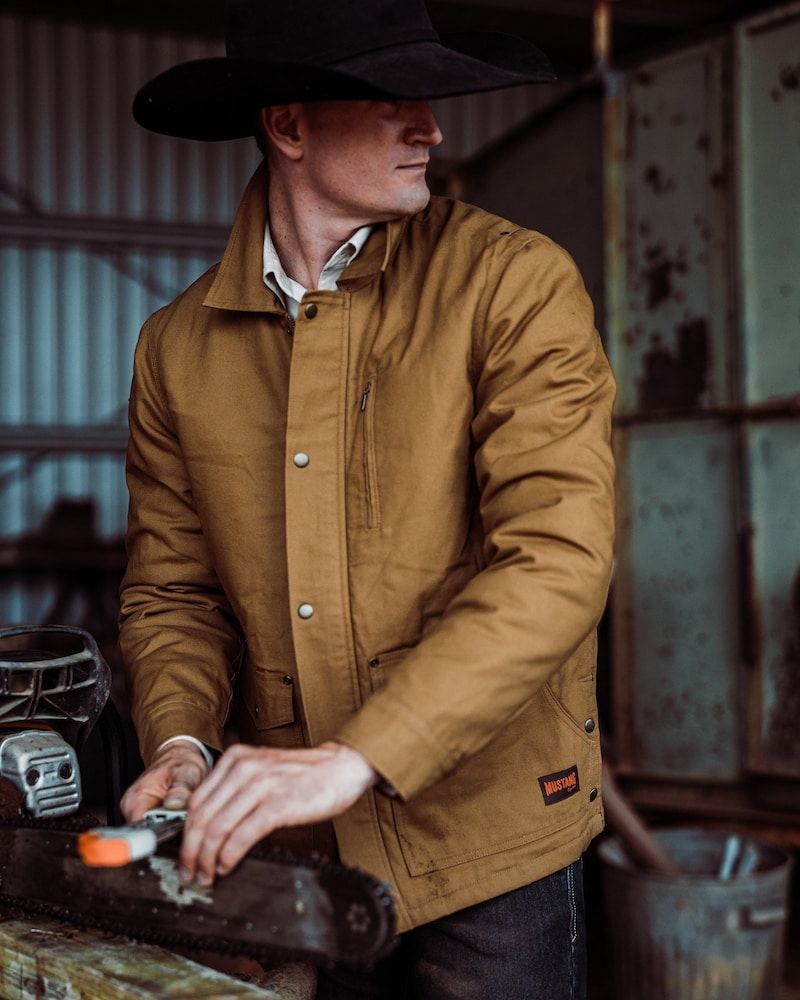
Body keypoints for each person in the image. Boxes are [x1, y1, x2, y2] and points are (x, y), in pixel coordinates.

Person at [118, 1, 616, 997]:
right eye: (392, 98)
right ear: (288, 125)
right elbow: (173, 592)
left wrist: (359, 754)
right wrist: (177, 738)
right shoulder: (176, 348)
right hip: (297, 858)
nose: (430, 127)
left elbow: (556, 560)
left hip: (492, 850)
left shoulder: (512, 285)